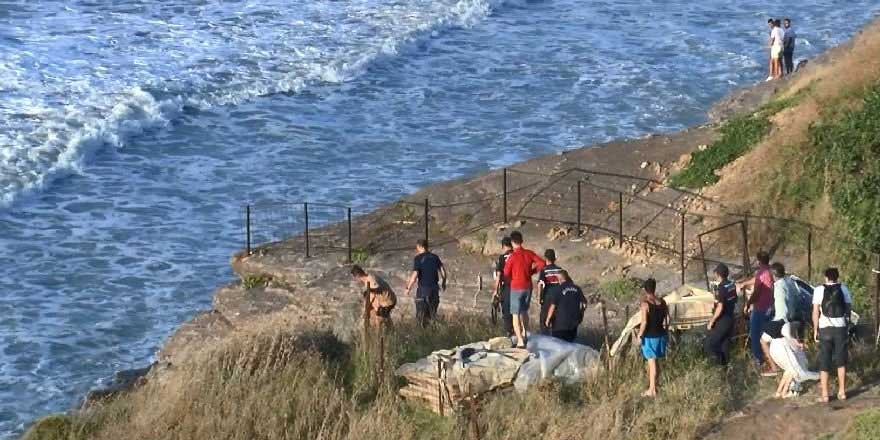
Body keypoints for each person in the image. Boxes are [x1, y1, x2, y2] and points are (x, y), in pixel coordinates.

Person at [812, 267, 853, 403]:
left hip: (825, 329)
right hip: (840, 328)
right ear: (837, 277)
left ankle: (825, 395)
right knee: (841, 361)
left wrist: (815, 329)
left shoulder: (819, 290)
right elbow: (848, 309)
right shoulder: (844, 289)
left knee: (825, 361)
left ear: (826, 277)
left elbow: (815, 312)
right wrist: (847, 324)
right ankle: (842, 392)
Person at [502, 230, 546, 348]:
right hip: (527, 286)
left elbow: (506, 273)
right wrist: (532, 271)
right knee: (524, 311)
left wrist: (509, 282)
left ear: (512, 242)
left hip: (516, 287)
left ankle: (520, 341)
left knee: (515, 314)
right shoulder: (529, 253)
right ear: (522, 241)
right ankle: (525, 333)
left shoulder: (512, 257)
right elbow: (542, 263)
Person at [759, 262, 800, 375]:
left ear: (773, 275)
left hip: (781, 321)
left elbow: (782, 308)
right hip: (792, 318)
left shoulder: (778, 287)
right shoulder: (789, 282)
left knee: (763, 340)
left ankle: (773, 367)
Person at [738, 250, 775, 374]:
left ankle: (760, 360)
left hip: (760, 307)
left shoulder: (762, 272)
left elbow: (757, 291)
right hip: (769, 306)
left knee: (754, 334)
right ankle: (772, 358)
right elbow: (757, 280)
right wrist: (744, 283)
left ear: (758, 261)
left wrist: (748, 304)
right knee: (767, 334)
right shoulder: (769, 271)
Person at [762, 321, 818, 398]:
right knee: (795, 371)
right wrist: (819, 376)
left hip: (775, 349)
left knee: (789, 370)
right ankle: (785, 393)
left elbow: (762, 341)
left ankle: (780, 392)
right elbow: (790, 336)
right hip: (782, 348)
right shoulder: (787, 326)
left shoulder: (780, 326)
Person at [638, 278, 668, 397]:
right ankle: (655, 385)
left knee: (652, 362)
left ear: (645, 290)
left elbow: (644, 322)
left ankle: (652, 390)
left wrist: (640, 334)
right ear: (654, 288)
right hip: (661, 335)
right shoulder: (663, 302)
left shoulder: (645, 304)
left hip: (650, 337)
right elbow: (666, 319)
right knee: (656, 362)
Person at [405, 239, 447, 327]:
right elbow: (443, 270)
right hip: (435, 290)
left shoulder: (418, 258)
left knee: (421, 318)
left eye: (417, 247)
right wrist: (443, 282)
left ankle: (422, 337)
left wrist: (408, 288)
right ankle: (431, 336)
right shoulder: (435, 257)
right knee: (432, 316)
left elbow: (415, 274)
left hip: (423, 290)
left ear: (420, 247)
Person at [705, 263, 738, 366]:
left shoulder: (722, 287)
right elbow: (735, 299)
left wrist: (712, 320)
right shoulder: (732, 285)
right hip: (731, 318)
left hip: (723, 320)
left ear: (718, 275)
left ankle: (718, 363)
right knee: (725, 344)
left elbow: (720, 306)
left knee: (709, 344)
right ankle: (725, 368)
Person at [544, 270, 587, 342]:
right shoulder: (577, 288)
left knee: (559, 344)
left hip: (560, 324)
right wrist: (581, 314)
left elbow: (553, 306)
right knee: (570, 343)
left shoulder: (558, 289)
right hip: (574, 322)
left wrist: (548, 319)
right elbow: (584, 304)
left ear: (560, 279)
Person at [537, 249, 565, 334]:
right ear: (554, 258)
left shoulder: (544, 270)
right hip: (559, 295)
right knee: (556, 318)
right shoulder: (560, 270)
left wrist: (539, 297)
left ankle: (545, 337)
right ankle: (557, 337)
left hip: (548, 295)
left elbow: (540, 284)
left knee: (544, 319)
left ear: (545, 258)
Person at [493, 237, 515, 336]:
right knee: (518, 310)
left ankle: (509, 332)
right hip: (519, 285)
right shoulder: (517, 255)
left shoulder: (502, 258)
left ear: (503, 246)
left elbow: (499, 275)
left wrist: (495, 291)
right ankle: (520, 332)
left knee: (507, 311)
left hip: (507, 287)